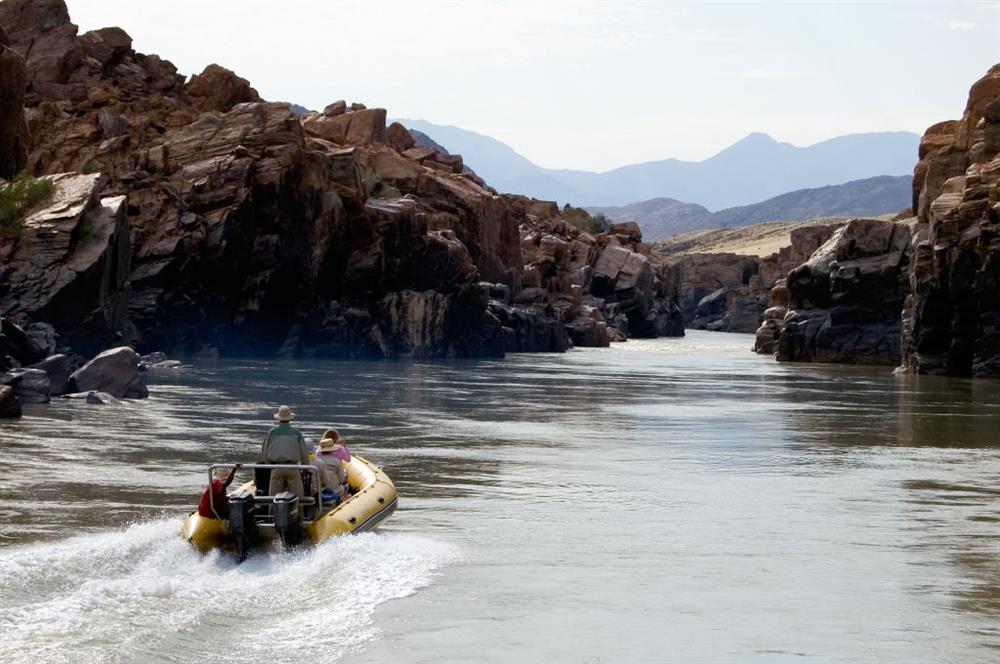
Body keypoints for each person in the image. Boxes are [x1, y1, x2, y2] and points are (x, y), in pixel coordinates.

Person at [261, 405, 309, 498]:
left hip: (276, 467)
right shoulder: (296, 433)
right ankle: (298, 512)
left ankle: (273, 512)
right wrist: (305, 466)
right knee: (297, 497)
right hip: (292, 467)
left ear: (278, 419)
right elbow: (303, 452)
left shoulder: (271, 432)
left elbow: (264, 451)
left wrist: (268, 465)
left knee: (274, 497)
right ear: (290, 419)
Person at [317, 430, 351, 501]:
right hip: (334, 488)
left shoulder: (317, 455)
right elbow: (342, 480)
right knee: (345, 480)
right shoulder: (337, 459)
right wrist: (345, 446)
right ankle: (343, 499)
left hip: (319, 488)